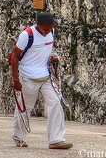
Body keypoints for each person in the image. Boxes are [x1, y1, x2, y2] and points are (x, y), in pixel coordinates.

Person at [9, 12, 71, 150]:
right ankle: (19, 137)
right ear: (38, 25)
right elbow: (15, 57)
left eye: (50, 29)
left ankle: (56, 139)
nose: (47, 32)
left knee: (56, 103)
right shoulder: (27, 35)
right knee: (26, 107)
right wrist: (16, 80)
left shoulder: (51, 32)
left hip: (46, 76)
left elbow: (45, 50)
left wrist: (52, 59)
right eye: (44, 29)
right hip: (27, 76)